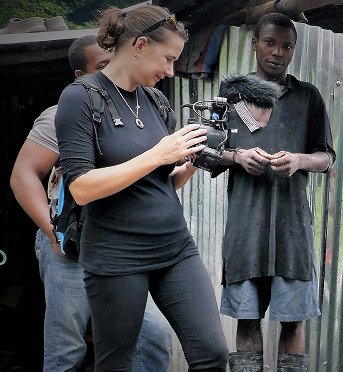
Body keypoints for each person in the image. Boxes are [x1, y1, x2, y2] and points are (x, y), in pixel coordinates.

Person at [53, 5, 229, 371]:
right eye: (167, 59)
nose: (170, 71)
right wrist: (157, 154)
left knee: (212, 353)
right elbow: (82, 187)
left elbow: (161, 181)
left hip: (174, 247)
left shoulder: (156, 101)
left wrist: (194, 160)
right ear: (140, 44)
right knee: (117, 362)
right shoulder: (80, 97)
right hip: (116, 255)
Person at [10, 35, 173, 372]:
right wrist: (51, 232)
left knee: (152, 336)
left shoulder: (142, 111)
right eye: (101, 66)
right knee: (67, 348)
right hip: (72, 241)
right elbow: (23, 175)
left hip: (124, 244)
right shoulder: (62, 114)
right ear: (80, 78)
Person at [211, 13, 335, 372]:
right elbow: (204, 154)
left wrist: (298, 160)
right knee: (247, 319)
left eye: (286, 46)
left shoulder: (308, 97)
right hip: (245, 228)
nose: (277, 52)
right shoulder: (230, 95)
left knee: (294, 319)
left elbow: (327, 158)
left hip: (292, 230)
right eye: (270, 43)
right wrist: (237, 156)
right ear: (254, 44)